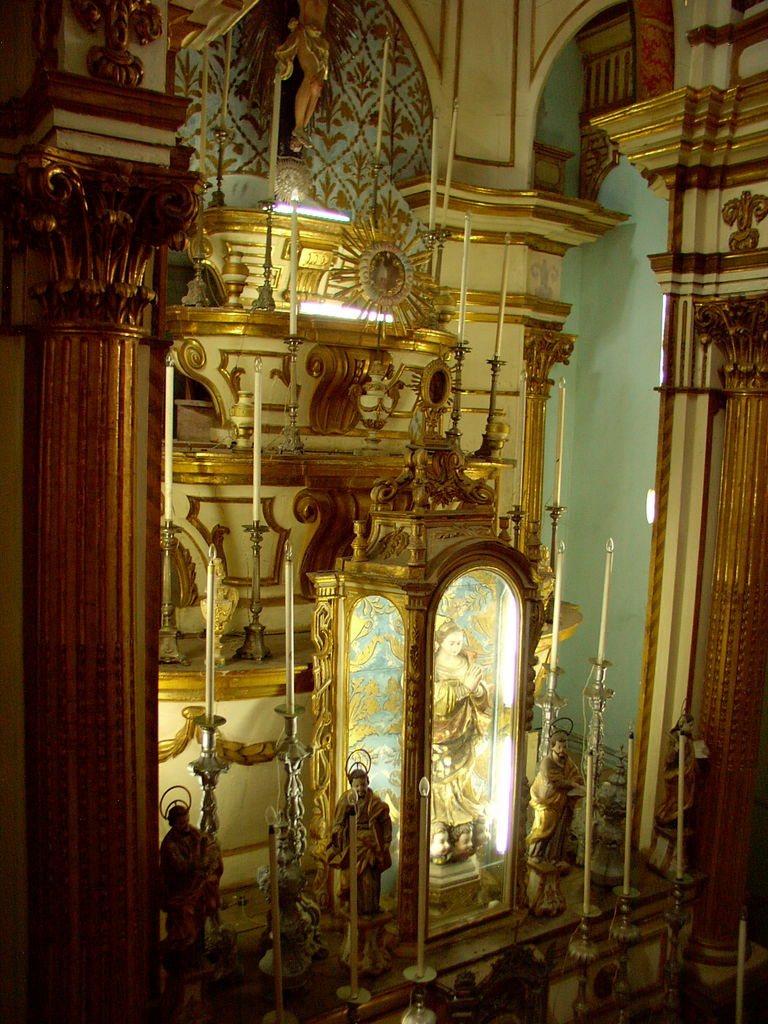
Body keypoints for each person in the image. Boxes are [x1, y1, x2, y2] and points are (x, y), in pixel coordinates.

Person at [431, 620, 492, 827]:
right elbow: (433, 697)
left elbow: (480, 692)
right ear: (440, 642)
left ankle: (460, 807)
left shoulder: (465, 661)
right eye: (451, 643)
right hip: (438, 731)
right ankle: (438, 814)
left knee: (461, 775)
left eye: (459, 643)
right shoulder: (432, 664)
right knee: (439, 773)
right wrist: (464, 688)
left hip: (464, 728)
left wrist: (477, 690)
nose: (456, 647)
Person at [159, 804, 223, 970]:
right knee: (187, 922)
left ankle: (201, 952)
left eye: (187, 820)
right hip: (180, 890)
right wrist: (198, 852)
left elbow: (207, 843)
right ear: (173, 823)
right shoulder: (170, 844)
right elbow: (184, 868)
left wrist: (208, 855)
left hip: (195, 885)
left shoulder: (192, 832)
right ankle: (185, 960)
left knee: (209, 899)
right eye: (182, 823)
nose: (186, 825)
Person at [328, 766, 392, 916]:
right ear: (351, 785)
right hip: (353, 844)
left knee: (372, 876)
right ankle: (354, 906)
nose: (360, 789)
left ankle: (372, 906)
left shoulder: (375, 801)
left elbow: (385, 822)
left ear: (367, 783)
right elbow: (338, 823)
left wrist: (386, 841)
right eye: (356, 786)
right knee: (355, 876)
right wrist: (340, 834)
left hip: (372, 844)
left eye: (363, 785)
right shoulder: (346, 800)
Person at [275, 0, 329, 151]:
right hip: (305, 34)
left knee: (317, 87)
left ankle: (301, 127)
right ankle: (299, 126)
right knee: (310, 76)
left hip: (320, 43)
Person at [526, 731, 584, 866]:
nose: (562, 750)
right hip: (547, 802)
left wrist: (576, 783)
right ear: (553, 747)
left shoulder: (567, 761)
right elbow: (555, 782)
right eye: (559, 747)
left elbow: (574, 774)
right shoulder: (547, 763)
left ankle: (554, 857)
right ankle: (535, 854)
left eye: (565, 747)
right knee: (544, 828)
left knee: (560, 830)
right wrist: (571, 784)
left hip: (561, 802)